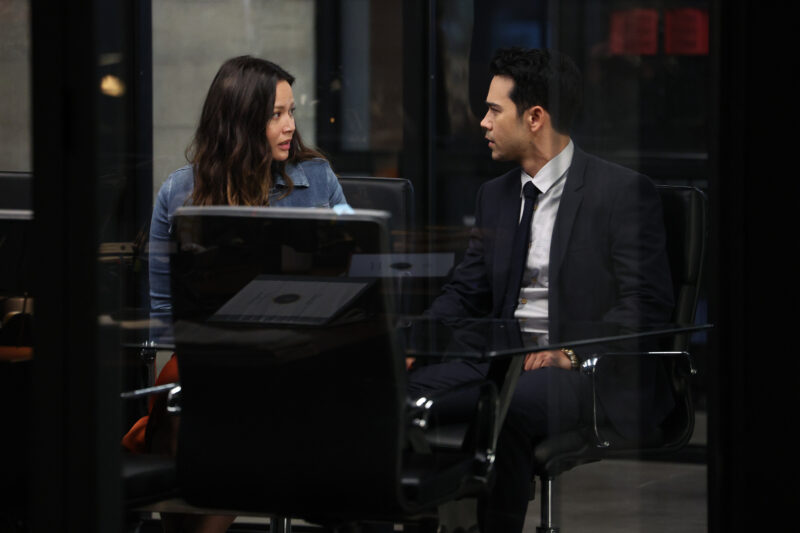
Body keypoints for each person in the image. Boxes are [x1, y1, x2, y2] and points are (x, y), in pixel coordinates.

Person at [408, 47, 674, 532]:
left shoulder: (620, 192)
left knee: (504, 410)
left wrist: (570, 354)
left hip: (584, 371)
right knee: (401, 395)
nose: (483, 122)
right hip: (502, 363)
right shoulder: (496, 195)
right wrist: (411, 345)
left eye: (494, 110)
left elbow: (646, 306)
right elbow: (464, 293)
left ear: (534, 117)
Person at [122, 55, 350, 533]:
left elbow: (354, 278)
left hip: (300, 357)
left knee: (210, 415)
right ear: (240, 122)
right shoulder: (179, 193)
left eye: (291, 112)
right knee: (189, 399)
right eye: (276, 114)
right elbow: (164, 313)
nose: (290, 126)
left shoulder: (318, 180)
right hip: (211, 360)